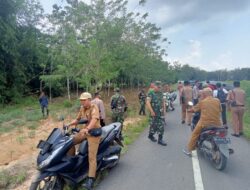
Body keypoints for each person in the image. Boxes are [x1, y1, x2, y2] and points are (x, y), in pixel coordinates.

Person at [67, 92, 101, 189]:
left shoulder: (94, 107)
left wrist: (87, 129)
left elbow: (94, 119)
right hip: (84, 132)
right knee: (70, 142)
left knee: (92, 157)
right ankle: (72, 163)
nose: (82, 102)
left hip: (93, 133)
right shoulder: (82, 108)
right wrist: (69, 124)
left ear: (89, 100)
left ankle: (90, 180)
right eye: (81, 100)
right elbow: (77, 120)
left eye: (84, 100)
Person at [183, 88, 222, 156]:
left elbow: (194, 109)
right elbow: (220, 110)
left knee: (194, 134)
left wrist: (188, 110)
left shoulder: (203, 102)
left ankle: (190, 151)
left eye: (202, 94)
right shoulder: (217, 100)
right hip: (217, 123)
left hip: (205, 123)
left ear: (204, 94)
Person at [146, 81, 167, 146]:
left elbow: (163, 101)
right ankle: (150, 135)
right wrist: (152, 111)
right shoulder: (150, 93)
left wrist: (164, 110)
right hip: (154, 113)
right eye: (158, 87)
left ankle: (160, 140)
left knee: (161, 125)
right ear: (154, 86)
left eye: (160, 87)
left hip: (160, 113)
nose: (159, 88)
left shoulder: (161, 93)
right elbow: (148, 102)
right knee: (153, 126)